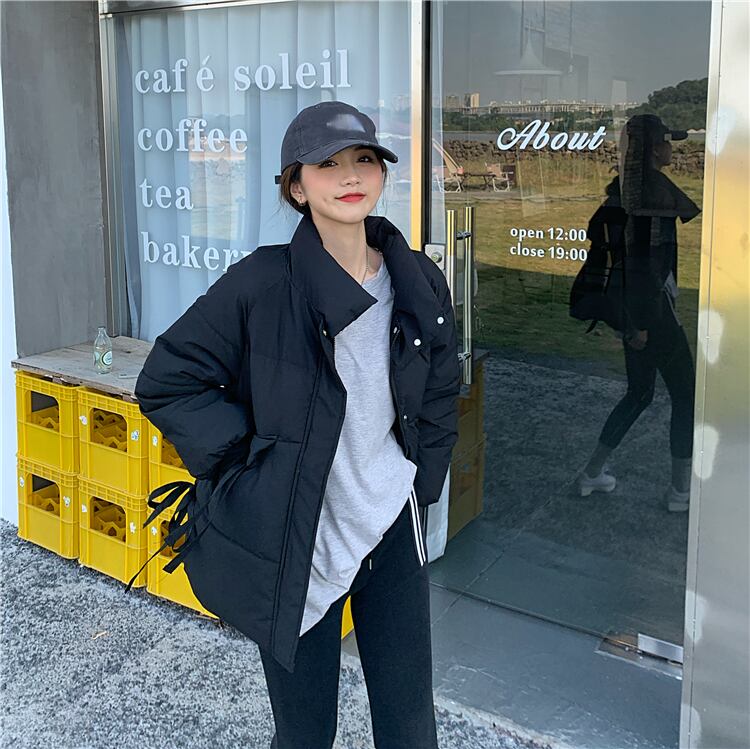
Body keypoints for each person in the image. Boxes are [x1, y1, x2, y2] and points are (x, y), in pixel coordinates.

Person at [131, 100, 461, 749]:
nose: (350, 175)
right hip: (299, 535)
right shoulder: (262, 283)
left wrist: (422, 482)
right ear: (296, 187)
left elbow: (441, 388)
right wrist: (254, 465)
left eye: (364, 159)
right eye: (327, 164)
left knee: (410, 724)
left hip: (391, 523)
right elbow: (167, 380)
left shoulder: (417, 279)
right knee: (306, 732)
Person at [577, 114, 700, 512]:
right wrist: (642, 325)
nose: (670, 148)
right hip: (652, 314)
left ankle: (592, 473)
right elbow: (645, 265)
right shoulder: (653, 196)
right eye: (665, 141)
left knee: (640, 393)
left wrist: (632, 323)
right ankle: (681, 491)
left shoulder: (627, 191)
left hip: (637, 313)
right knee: (686, 395)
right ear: (651, 149)